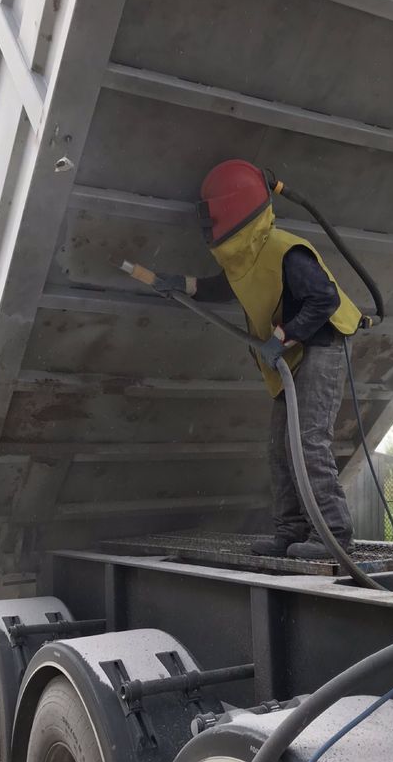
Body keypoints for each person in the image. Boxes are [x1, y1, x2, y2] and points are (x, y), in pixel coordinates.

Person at [151, 159, 362, 560]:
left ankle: (332, 536)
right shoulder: (244, 255)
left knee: (307, 443)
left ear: (229, 212)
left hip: (320, 345)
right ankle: (289, 533)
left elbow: (325, 299)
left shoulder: (284, 250)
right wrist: (183, 286)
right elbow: (226, 287)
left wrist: (281, 338)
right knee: (279, 449)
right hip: (291, 355)